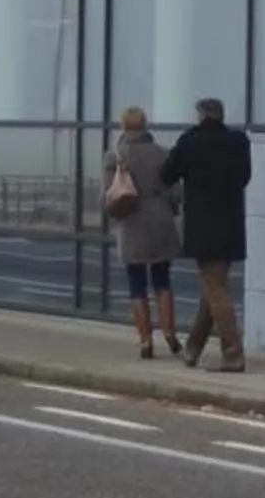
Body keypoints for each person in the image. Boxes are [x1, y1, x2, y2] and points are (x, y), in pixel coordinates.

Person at [160, 95, 252, 373]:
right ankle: (193, 348)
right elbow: (245, 177)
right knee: (213, 287)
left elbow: (167, 174)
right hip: (231, 223)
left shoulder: (190, 141)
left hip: (203, 225)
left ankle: (233, 352)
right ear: (221, 115)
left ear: (200, 115)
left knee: (215, 289)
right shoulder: (238, 142)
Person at [102, 104, 182, 361]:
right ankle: (170, 334)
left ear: (123, 126)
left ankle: (146, 341)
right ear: (146, 125)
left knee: (136, 284)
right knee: (162, 279)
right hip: (159, 219)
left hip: (131, 222)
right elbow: (177, 192)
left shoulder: (114, 157)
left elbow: (107, 195)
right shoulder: (161, 154)